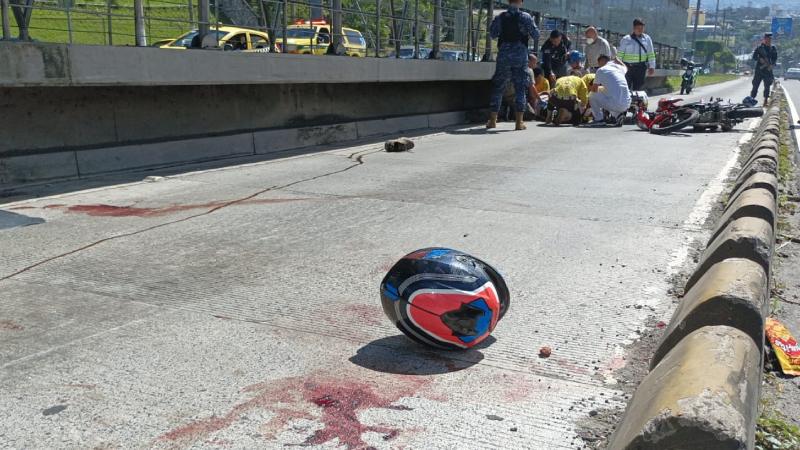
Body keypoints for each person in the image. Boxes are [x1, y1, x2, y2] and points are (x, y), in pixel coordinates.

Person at [487, 0, 539, 130]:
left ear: (508, 1)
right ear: (521, 2)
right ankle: (519, 122)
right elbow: (536, 35)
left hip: (504, 56)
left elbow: (492, 34)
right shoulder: (526, 17)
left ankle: (492, 120)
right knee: (520, 88)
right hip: (520, 56)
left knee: (498, 86)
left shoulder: (500, 17)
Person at [587, 54, 631, 126]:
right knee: (609, 93)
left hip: (616, 104)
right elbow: (625, 67)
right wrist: (618, 60)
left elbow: (594, 89)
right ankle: (617, 115)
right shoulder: (619, 68)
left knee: (592, 95)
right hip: (626, 104)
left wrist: (588, 88)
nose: (598, 66)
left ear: (601, 61)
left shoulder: (601, 70)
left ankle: (599, 119)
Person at [617, 18, 656, 91]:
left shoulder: (647, 39)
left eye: (642, 28)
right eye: (638, 28)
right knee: (625, 89)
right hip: (627, 68)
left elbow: (651, 53)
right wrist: (618, 68)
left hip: (641, 68)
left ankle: (637, 98)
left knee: (639, 90)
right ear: (634, 28)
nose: (640, 30)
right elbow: (619, 55)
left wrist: (652, 67)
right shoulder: (626, 39)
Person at [751, 32, 778, 102]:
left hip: (768, 70)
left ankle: (766, 100)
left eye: (770, 39)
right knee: (755, 85)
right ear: (764, 39)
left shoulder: (773, 48)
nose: (769, 40)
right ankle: (752, 98)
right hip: (759, 70)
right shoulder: (760, 48)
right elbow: (754, 57)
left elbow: (775, 58)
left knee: (767, 85)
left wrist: (772, 65)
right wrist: (760, 59)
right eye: (767, 38)